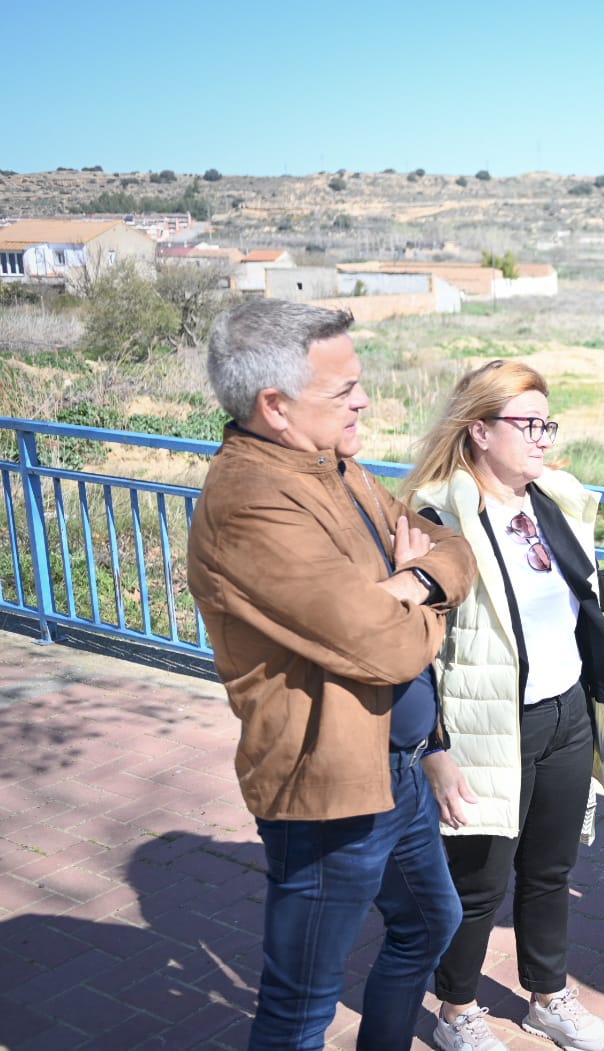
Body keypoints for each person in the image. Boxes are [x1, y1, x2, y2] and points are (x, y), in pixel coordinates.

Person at [186, 299, 477, 1050]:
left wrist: (410, 582)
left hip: (397, 767)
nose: (364, 400)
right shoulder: (248, 502)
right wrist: (413, 594)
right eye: (343, 390)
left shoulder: (334, 466)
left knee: (430, 922)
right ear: (274, 406)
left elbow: (451, 547)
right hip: (328, 790)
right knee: (299, 1008)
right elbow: (381, 647)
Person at [403, 360, 604, 1051]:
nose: (543, 437)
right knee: (478, 882)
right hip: (487, 726)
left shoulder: (551, 501)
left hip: (568, 713)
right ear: (479, 430)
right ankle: (457, 1010)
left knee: (550, 868)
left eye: (548, 423)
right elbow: (416, 646)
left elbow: (574, 596)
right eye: (527, 423)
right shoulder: (440, 515)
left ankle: (547, 995)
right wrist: (438, 748)